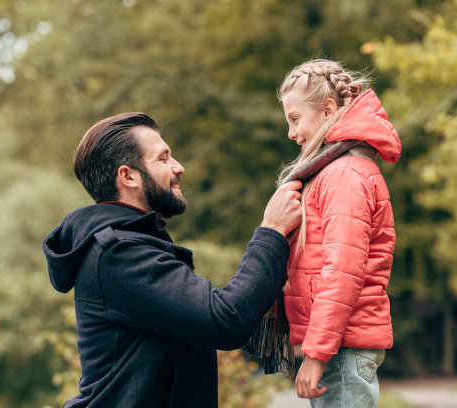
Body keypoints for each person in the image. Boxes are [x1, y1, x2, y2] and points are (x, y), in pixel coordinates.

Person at [42, 112, 302, 407]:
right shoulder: (119, 253)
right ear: (129, 177)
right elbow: (226, 319)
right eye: (163, 159)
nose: (179, 167)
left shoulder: (133, 244)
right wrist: (272, 231)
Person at [276, 59, 401, 407]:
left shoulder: (344, 174)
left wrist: (316, 355)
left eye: (295, 118)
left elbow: (342, 273)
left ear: (328, 109)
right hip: (339, 344)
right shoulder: (336, 170)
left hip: (341, 348)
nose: (290, 132)